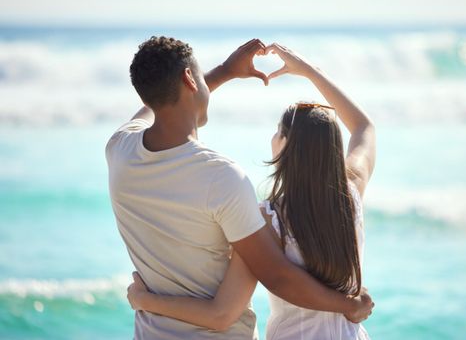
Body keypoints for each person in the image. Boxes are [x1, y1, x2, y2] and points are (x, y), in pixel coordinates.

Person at [125, 42, 377, 339]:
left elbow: (221, 313)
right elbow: (364, 127)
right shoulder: (352, 194)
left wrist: (144, 300)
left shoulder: (268, 220)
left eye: (278, 132)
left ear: (286, 146)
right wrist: (311, 72)